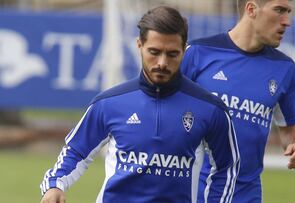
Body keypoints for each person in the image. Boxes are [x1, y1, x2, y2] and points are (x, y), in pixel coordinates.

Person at [39, 6, 240, 203]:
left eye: (172, 54)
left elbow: (227, 167)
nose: (162, 62)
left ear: (184, 50)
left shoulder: (210, 109)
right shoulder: (109, 103)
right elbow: (76, 151)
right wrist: (55, 185)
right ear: (139, 45)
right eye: (154, 51)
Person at [181, 0, 295, 202]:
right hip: (192, 192)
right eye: (279, 10)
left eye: (288, 12)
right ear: (251, 9)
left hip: (245, 195)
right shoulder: (197, 53)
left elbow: (291, 132)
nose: (287, 21)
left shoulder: (285, 70)